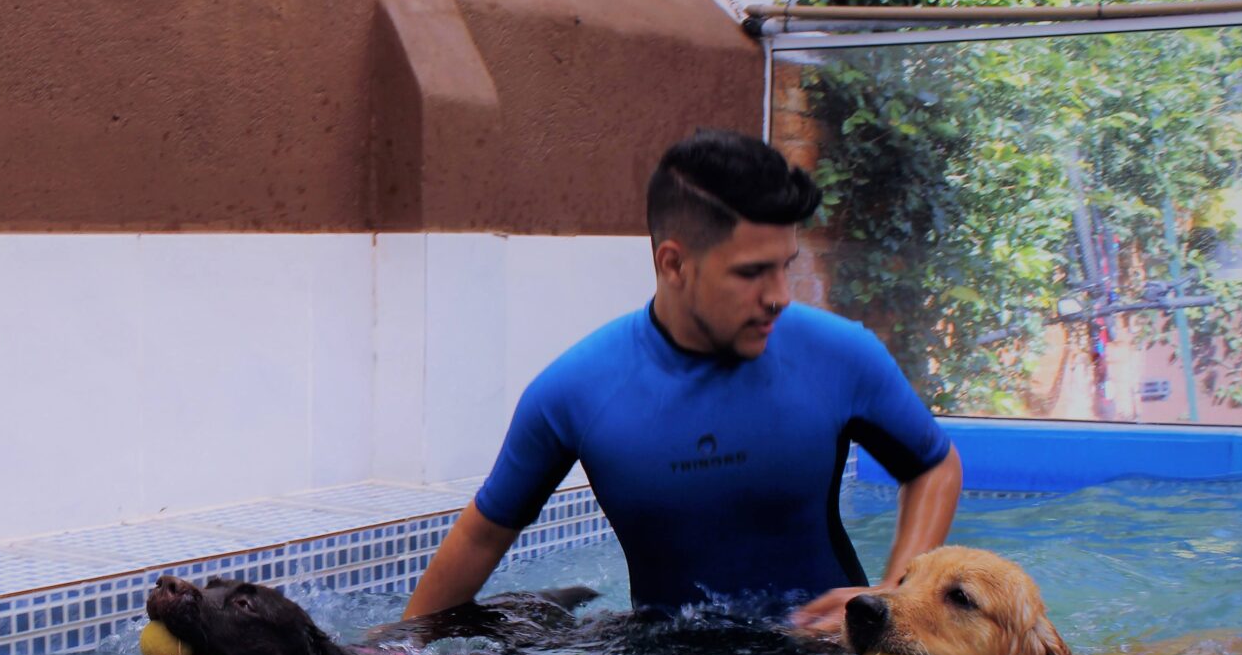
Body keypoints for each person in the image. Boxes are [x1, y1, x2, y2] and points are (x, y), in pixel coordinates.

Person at [403, 128, 963, 628]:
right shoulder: (575, 394)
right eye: (751, 272)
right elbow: (482, 534)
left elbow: (934, 466)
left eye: (785, 265)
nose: (779, 296)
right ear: (673, 264)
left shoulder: (839, 356)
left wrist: (892, 599)